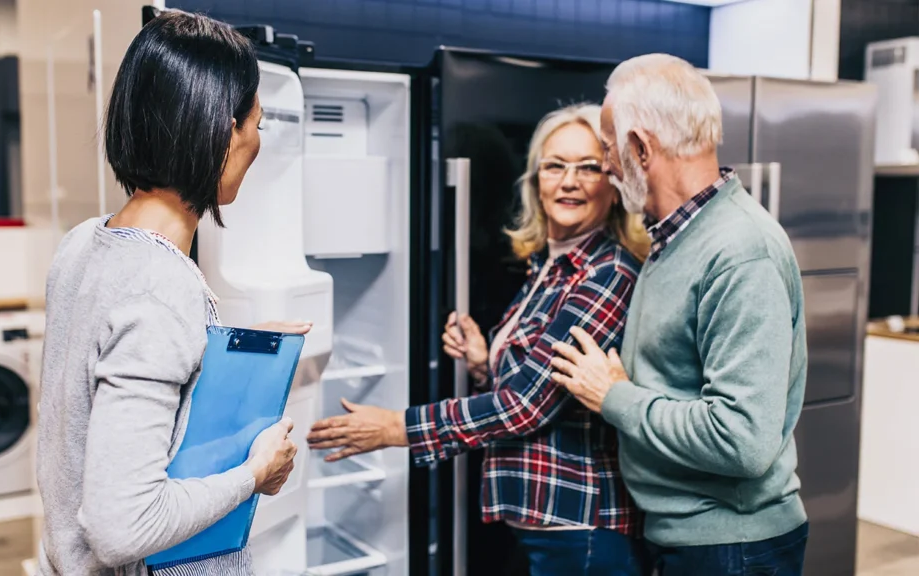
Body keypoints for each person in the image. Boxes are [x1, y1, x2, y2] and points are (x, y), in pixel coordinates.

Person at [307, 104, 651, 575]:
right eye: (555, 166)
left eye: (589, 167)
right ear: (535, 180)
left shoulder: (606, 274)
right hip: (545, 516)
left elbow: (526, 406)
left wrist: (394, 428)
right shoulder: (551, 268)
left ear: (613, 185)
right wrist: (484, 363)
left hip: (581, 521)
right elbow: (549, 383)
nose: (569, 181)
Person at [36, 11, 308, 576]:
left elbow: (102, 391)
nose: (257, 141)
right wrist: (255, 473)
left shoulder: (85, 243)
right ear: (221, 130)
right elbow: (123, 527)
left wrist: (224, 344)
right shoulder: (162, 287)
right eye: (256, 123)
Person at [549, 54, 809, 576]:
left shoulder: (741, 251)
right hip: (687, 537)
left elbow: (742, 441)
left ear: (641, 148)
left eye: (606, 148)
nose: (605, 166)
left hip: (730, 546)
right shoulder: (673, 239)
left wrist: (615, 396)